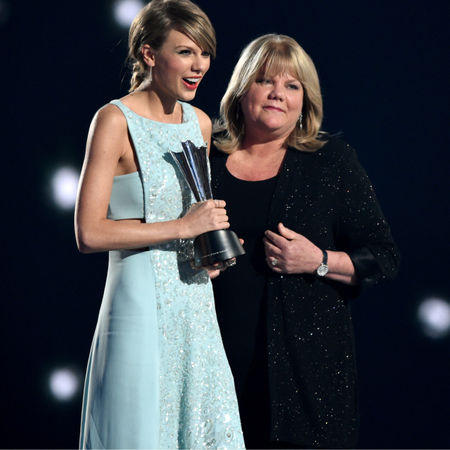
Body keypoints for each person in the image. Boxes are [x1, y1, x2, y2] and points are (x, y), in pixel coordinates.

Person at [210, 34, 400, 449]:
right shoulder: (206, 159)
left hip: (304, 385)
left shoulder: (331, 161)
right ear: (242, 91)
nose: (278, 93)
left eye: (292, 85)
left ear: (305, 100)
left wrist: (317, 259)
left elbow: (384, 257)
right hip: (212, 372)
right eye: (265, 81)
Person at [75, 1, 245, 448]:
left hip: (195, 304)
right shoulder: (114, 120)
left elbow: (193, 220)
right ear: (149, 54)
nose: (200, 66)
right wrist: (183, 228)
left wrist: (208, 251)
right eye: (186, 52)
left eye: (205, 53)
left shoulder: (200, 124)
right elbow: (89, 232)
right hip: (137, 305)